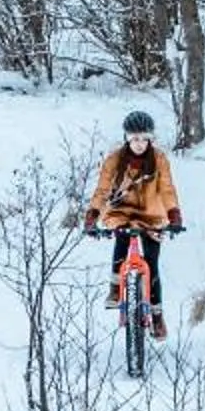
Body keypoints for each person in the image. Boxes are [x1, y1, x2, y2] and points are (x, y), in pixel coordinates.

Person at [83, 110, 183, 338]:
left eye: (144, 138)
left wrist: (174, 214)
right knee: (121, 242)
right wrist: (92, 215)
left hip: (151, 215)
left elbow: (167, 189)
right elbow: (103, 189)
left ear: (151, 139)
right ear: (127, 138)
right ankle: (116, 287)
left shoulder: (159, 159)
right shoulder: (114, 160)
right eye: (134, 139)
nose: (139, 144)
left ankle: (157, 315)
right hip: (122, 213)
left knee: (152, 262)